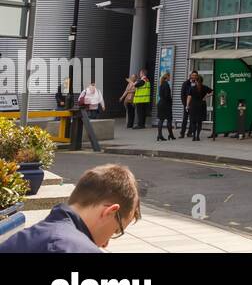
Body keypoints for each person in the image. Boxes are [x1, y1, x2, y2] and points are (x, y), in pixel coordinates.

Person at [0, 163, 141, 253]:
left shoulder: (23, 238)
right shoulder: (74, 248)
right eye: (116, 231)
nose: (105, 244)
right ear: (110, 212)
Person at [187, 75, 212, 141]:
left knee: (193, 122)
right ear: (202, 81)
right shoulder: (205, 87)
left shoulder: (192, 88)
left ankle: (194, 136)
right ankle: (198, 136)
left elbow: (189, 97)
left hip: (193, 106)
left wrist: (187, 105)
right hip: (201, 106)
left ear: (196, 81)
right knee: (199, 122)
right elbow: (212, 91)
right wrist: (206, 96)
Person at [178, 70, 198, 138]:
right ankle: (182, 133)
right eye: (193, 75)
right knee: (185, 119)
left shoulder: (197, 84)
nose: (194, 76)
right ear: (190, 75)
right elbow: (182, 94)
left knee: (192, 119)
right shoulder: (185, 83)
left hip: (194, 104)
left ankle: (189, 133)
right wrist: (185, 104)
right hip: (187, 104)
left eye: (195, 75)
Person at [155, 73, 175, 141]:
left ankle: (159, 135)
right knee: (169, 119)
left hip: (160, 103)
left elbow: (161, 95)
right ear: (167, 77)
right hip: (166, 104)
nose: (170, 78)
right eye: (169, 77)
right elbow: (167, 96)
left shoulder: (161, 85)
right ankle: (171, 135)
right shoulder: (166, 85)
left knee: (161, 119)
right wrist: (170, 100)